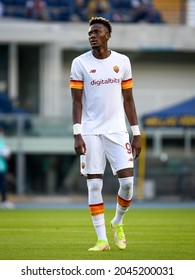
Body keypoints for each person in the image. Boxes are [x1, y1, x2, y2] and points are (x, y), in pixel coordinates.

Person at [70, 17, 141, 251]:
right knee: (93, 186)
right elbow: (76, 102)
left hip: (117, 131)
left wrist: (136, 133)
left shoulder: (123, 61)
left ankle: (117, 222)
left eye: (97, 32)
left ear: (107, 35)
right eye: (90, 32)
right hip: (90, 132)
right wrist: (77, 133)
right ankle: (102, 240)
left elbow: (128, 99)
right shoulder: (79, 63)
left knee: (128, 183)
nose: (92, 35)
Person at [0, 127, 14, 209]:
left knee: (3, 185)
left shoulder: (2, 142)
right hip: (1, 168)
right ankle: (4, 201)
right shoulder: (1, 142)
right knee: (3, 185)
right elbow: (5, 154)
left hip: (2, 167)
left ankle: (4, 201)